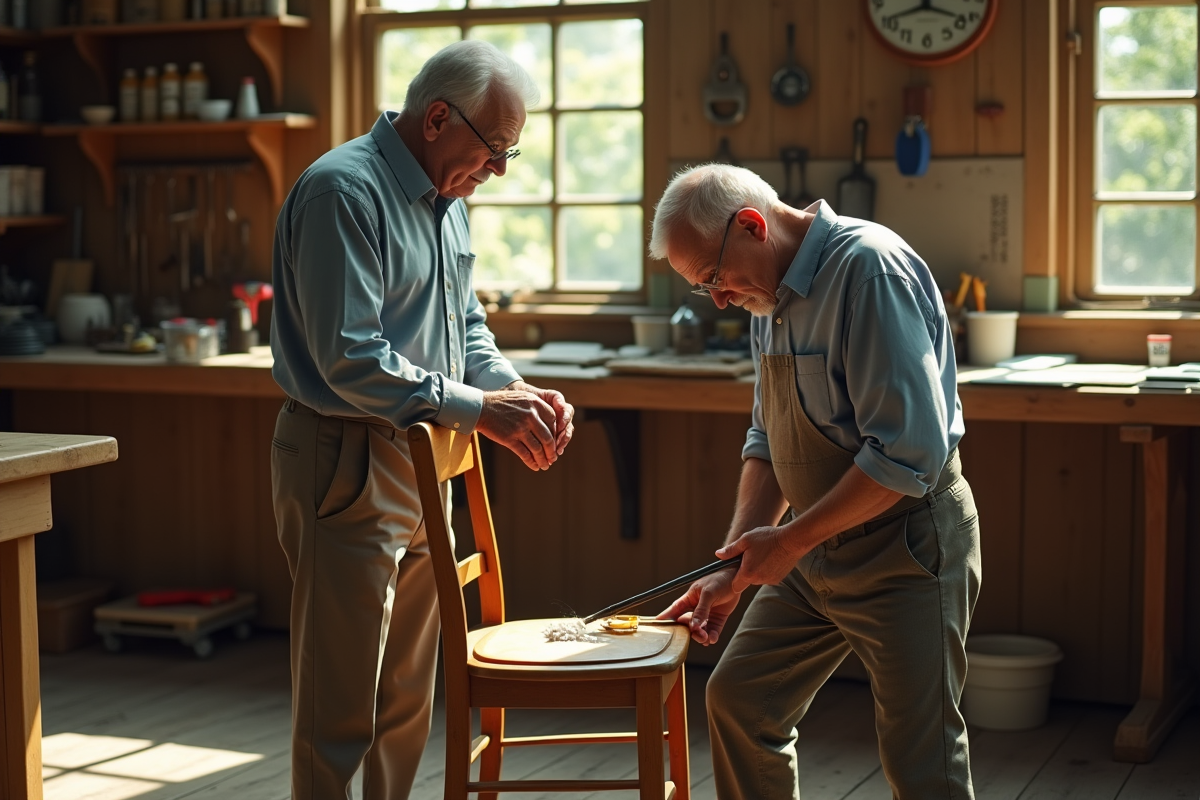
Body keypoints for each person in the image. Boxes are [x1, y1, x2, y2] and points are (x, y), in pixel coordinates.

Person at [269, 40, 575, 800]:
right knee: (339, 706)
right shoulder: (343, 192)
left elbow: (464, 327)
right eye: (496, 148)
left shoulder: (448, 200)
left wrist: (515, 393)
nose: (501, 170)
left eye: (511, 152)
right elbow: (351, 358)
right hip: (346, 457)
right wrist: (482, 411)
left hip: (424, 460)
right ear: (438, 118)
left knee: (406, 700)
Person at [652, 164, 980, 800]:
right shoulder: (763, 291)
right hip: (814, 549)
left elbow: (906, 457)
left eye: (715, 279)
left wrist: (788, 543)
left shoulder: (869, 271)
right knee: (741, 702)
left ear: (752, 225)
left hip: (905, 549)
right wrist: (738, 561)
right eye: (704, 289)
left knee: (923, 760)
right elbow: (768, 440)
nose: (718, 299)